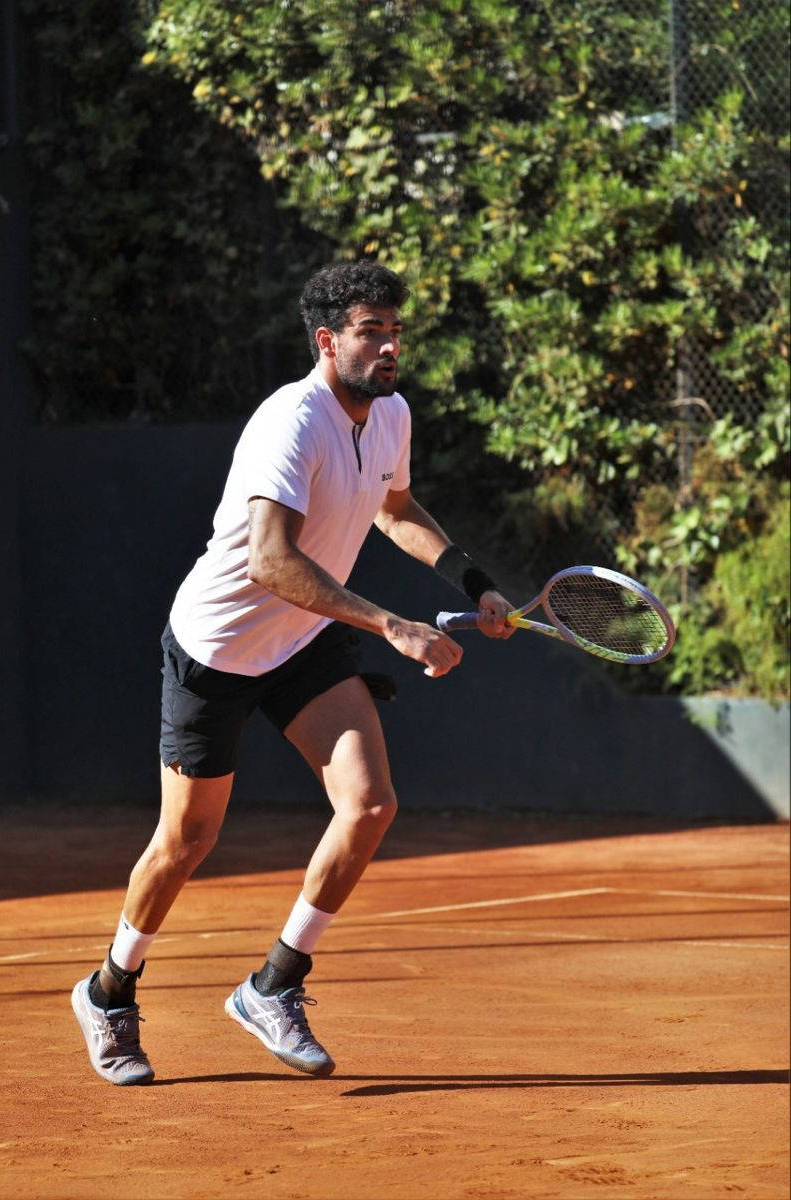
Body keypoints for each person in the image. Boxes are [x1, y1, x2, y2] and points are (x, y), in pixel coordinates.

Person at [71, 259, 514, 1085]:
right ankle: (109, 992)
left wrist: (474, 582)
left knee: (371, 804)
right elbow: (273, 563)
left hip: (306, 640)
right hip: (220, 646)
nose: (388, 347)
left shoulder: (390, 414)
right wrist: (391, 625)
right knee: (187, 840)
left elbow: (395, 507)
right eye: (370, 331)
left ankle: (273, 984)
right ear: (327, 340)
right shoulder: (291, 422)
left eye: (395, 331)